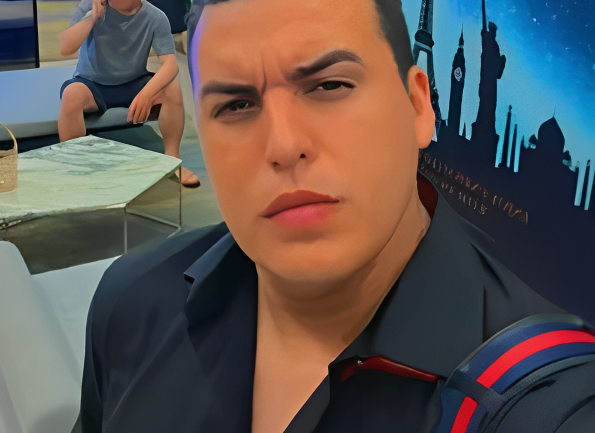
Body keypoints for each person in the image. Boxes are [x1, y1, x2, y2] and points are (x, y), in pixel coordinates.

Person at [76, 0, 595, 432]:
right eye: (235, 105)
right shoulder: (131, 302)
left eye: (329, 86)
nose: (284, 145)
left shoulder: (544, 399)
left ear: (418, 107)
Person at [58, 0, 200, 187]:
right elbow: (65, 47)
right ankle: (76, 165)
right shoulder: (91, 5)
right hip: (92, 84)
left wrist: (146, 94)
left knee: (171, 87)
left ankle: (172, 161)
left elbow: (170, 65)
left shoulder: (155, 16)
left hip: (133, 83)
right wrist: (92, 18)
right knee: (71, 94)